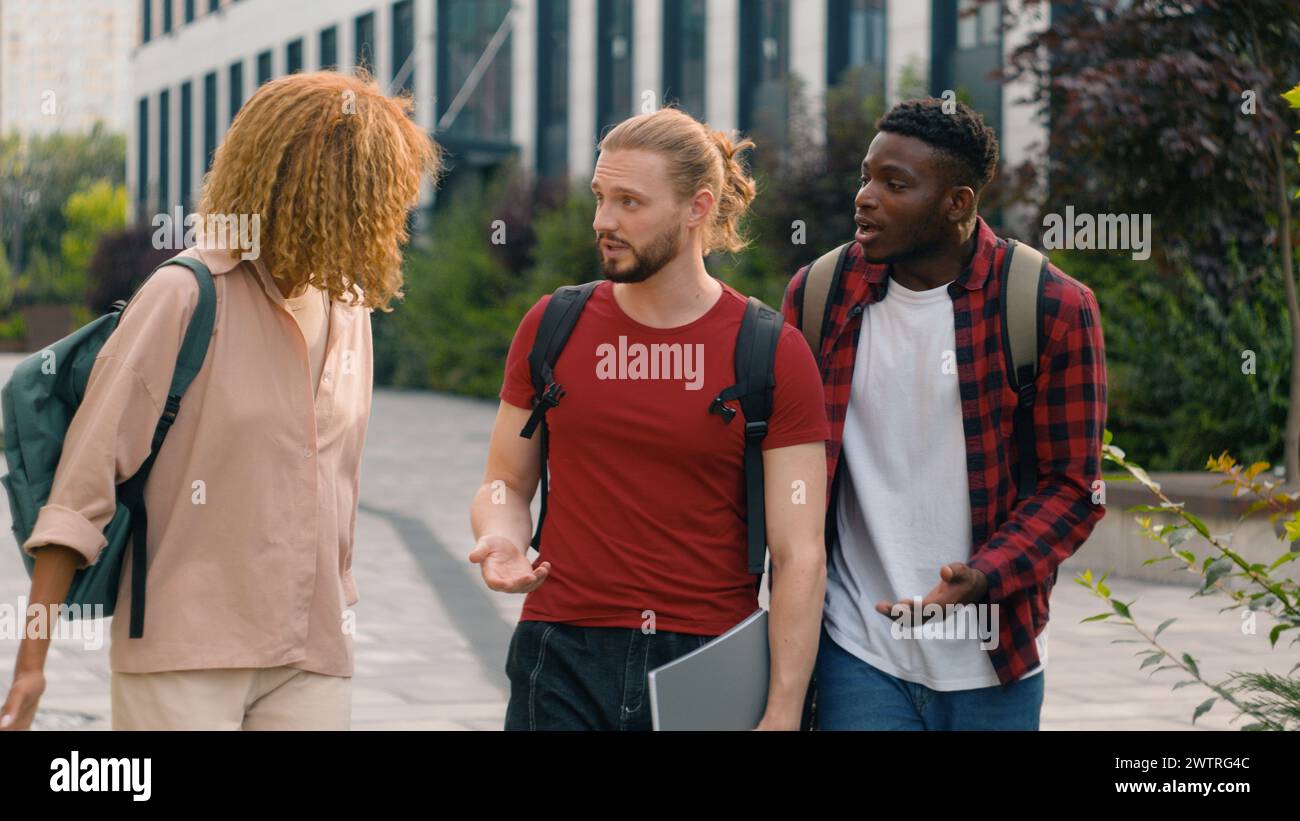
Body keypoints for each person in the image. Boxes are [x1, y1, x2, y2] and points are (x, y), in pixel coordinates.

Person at [0, 70, 441, 730]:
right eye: (377, 197)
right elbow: (81, 490)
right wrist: (31, 668)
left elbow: (338, 481)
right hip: (184, 653)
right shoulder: (185, 295)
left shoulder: (350, 311)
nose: (390, 218)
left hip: (310, 649)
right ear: (314, 191)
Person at [469, 107, 830, 731]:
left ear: (698, 208)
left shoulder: (770, 350)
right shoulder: (553, 326)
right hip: (560, 651)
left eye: (630, 202)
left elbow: (799, 553)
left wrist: (784, 707)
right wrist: (501, 533)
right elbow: (505, 480)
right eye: (600, 197)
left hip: (706, 657)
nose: (604, 222)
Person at [781, 98, 1108, 730]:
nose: (865, 198)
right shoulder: (819, 294)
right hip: (856, 653)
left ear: (957, 202)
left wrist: (984, 575)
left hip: (993, 660)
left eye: (894, 184)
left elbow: (1074, 487)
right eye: (866, 176)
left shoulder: (1050, 306)